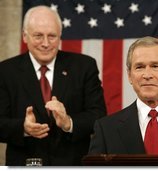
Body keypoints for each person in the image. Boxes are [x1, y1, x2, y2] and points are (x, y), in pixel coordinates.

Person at [0, 6, 106, 166]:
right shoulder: (6, 71)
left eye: (52, 36)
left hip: (73, 165)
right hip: (24, 165)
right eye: (38, 36)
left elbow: (99, 116)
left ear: (60, 36)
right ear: (25, 36)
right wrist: (23, 127)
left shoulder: (84, 66)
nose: (45, 43)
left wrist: (69, 122)